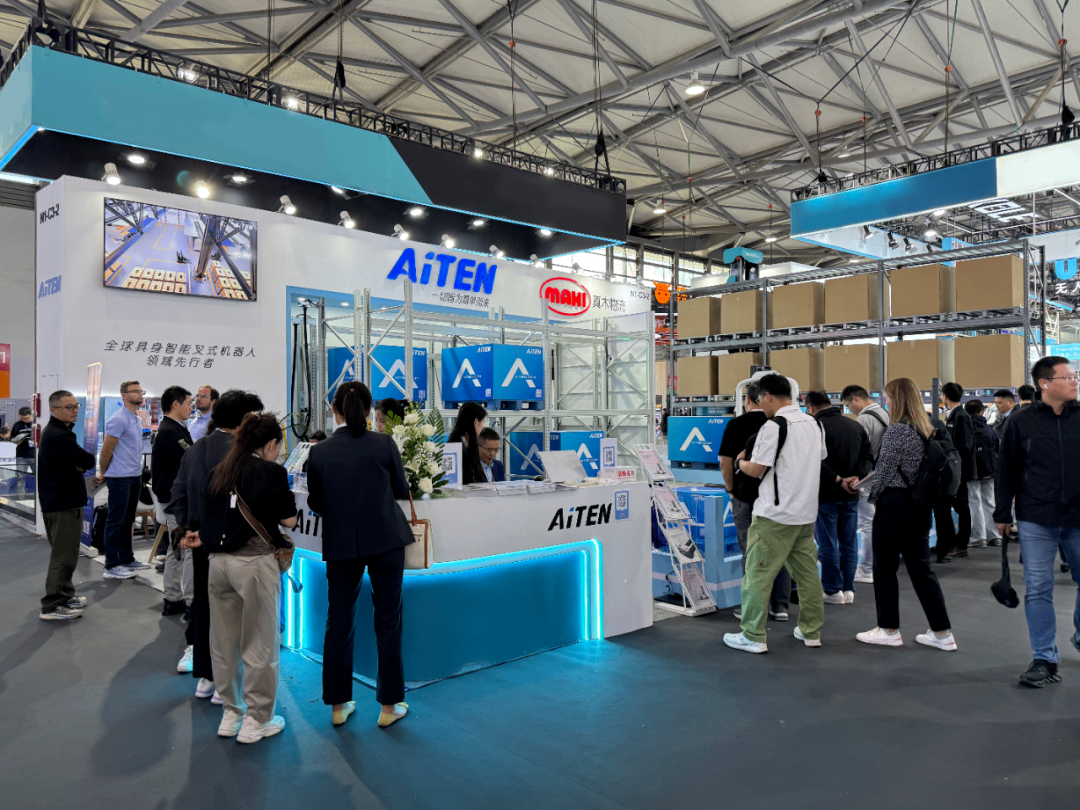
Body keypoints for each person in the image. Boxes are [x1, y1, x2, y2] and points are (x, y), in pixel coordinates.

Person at [307, 381, 413, 728]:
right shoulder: (384, 443)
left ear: (334, 409)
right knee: (388, 621)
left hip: (341, 544)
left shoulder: (319, 452)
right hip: (385, 539)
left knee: (338, 620)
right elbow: (401, 489)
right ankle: (389, 707)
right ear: (369, 410)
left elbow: (316, 503)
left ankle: (338, 705)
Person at [193, 412, 296, 743]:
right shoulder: (272, 472)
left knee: (224, 644)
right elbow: (290, 521)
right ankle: (257, 719)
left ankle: (231, 713)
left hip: (217, 565)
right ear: (271, 444)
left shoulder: (220, 470)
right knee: (260, 644)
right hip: (254, 565)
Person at [169, 389, 265, 702]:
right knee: (235, 615)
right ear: (245, 420)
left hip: (200, 541)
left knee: (205, 607)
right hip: (235, 545)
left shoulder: (195, 448)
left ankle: (207, 678)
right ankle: (228, 686)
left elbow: (177, 494)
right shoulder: (242, 453)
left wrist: (189, 527)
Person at [723, 373, 829, 653]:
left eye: (760, 399)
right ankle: (811, 631)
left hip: (773, 515)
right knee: (807, 576)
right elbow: (819, 460)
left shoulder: (774, 426)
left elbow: (757, 469)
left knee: (757, 575)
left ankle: (753, 635)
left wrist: (740, 462)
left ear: (768, 396)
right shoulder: (815, 424)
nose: (760, 405)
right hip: (805, 514)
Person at [995, 356, 1080, 688]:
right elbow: (1007, 470)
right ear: (1045, 384)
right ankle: (1044, 658)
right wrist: (1003, 513)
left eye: (1075, 376)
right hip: (1036, 517)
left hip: (1078, 516)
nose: (1074, 381)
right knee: (1039, 587)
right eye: (1068, 376)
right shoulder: (1021, 422)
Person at [856, 377, 956, 651]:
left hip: (895, 504)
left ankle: (888, 629)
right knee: (921, 568)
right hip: (919, 504)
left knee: (885, 568)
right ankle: (942, 632)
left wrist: (868, 494)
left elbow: (884, 471)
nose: (885, 402)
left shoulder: (898, 430)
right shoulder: (927, 427)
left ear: (896, 399)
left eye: (887, 397)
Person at [718, 381, 791, 622]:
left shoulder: (737, 424)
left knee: (750, 551)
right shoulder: (782, 424)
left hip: (746, 496)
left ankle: (753, 607)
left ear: (748, 399)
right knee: (779, 551)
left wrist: (731, 490)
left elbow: (725, 461)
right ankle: (780, 606)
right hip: (779, 497)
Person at [805, 391, 874, 605]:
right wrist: (856, 479)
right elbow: (868, 457)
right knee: (849, 542)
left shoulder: (815, 428)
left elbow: (816, 461)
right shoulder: (855, 426)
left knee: (827, 543)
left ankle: (832, 590)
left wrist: (838, 479)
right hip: (851, 494)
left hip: (825, 494)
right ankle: (848, 588)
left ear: (810, 407)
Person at [37, 390, 96, 620]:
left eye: (76, 406)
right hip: (62, 503)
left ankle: (64, 594)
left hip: (61, 500)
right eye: (68, 407)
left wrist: (77, 464)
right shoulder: (59, 435)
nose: (74, 411)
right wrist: (79, 464)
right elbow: (88, 459)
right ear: (53, 410)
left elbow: (80, 462)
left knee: (67, 553)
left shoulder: (58, 433)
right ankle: (53, 605)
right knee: (63, 556)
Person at [95, 381, 152, 579]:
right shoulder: (118, 419)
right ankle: (111, 565)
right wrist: (104, 472)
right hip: (119, 477)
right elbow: (106, 450)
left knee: (128, 519)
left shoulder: (135, 419)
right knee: (115, 520)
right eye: (135, 391)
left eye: (141, 391)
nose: (140, 394)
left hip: (134, 475)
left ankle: (127, 558)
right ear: (124, 395)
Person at [153, 386, 194, 619]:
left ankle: (173, 598)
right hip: (176, 500)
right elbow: (190, 457)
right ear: (175, 404)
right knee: (185, 548)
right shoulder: (170, 431)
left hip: (172, 498)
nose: (191, 407)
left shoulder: (175, 428)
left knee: (177, 547)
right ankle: (189, 601)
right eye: (188, 403)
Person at [841, 385, 888, 584]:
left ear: (855, 399)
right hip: (882, 476)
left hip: (867, 478)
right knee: (877, 523)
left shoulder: (863, 420)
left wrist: (856, 479)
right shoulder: (884, 414)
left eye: (848, 405)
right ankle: (876, 565)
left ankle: (867, 568)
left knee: (866, 524)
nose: (850, 410)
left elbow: (860, 452)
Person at [933, 382, 975, 561]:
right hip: (954, 468)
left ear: (945, 396)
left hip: (959, 470)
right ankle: (949, 543)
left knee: (962, 506)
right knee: (953, 506)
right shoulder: (954, 415)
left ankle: (961, 544)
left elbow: (963, 446)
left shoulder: (961, 416)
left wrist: (955, 467)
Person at [964, 399, 1001, 549]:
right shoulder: (989, 428)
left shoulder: (966, 428)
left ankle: (979, 537)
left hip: (972, 470)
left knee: (974, 502)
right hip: (989, 469)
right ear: (982, 412)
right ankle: (994, 535)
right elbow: (996, 448)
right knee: (990, 501)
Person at [448, 401, 488, 485]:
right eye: (483, 422)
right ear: (476, 422)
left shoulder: (468, 444)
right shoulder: (454, 446)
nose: (483, 427)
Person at [10, 405, 35, 471]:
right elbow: (11, 437)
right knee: (20, 475)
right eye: (22, 418)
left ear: (32, 415)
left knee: (38, 474)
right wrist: (16, 441)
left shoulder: (37, 424)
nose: (24, 420)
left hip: (34, 454)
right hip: (21, 455)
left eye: (27, 418)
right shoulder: (17, 425)